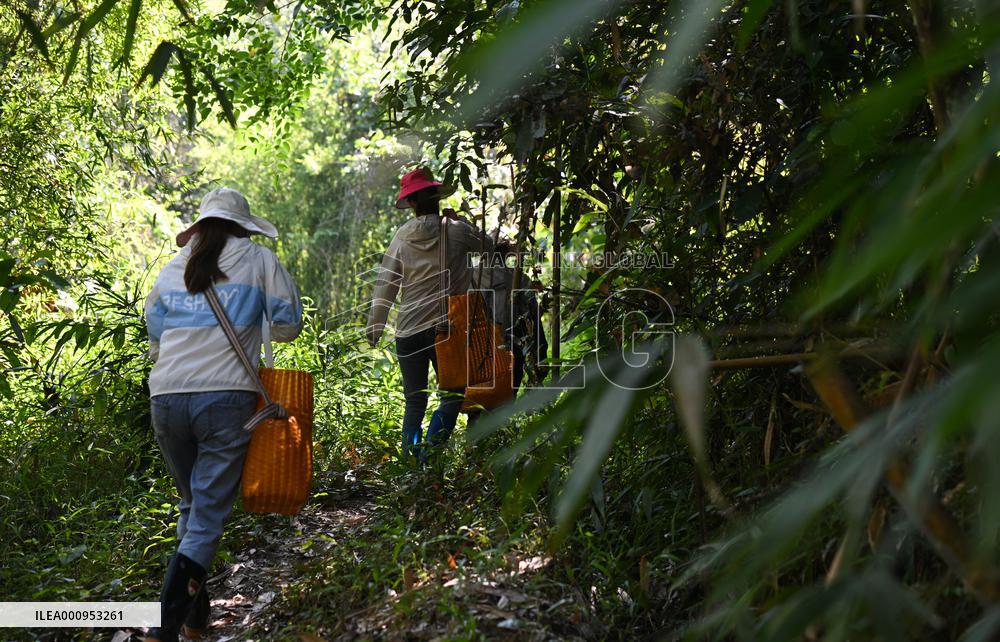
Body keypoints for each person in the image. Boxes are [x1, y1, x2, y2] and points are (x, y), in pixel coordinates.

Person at [142, 188, 303, 642]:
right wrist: (254, 321)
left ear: (201, 226)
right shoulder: (259, 260)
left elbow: (155, 337)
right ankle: (162, 628)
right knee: (206, 519)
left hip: (166, 398)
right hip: (226, 401)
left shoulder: (175, 267)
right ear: (242, 227)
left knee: (192, 507)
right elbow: (289, 325)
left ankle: (195, 622)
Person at [366, 167, 493, 456]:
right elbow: (490, 247)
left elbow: (386, 285)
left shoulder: (401, 237)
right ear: (437, 196)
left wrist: (374, 330)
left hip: (408, 332)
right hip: (445, 330)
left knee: (414, 402)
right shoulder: (457, 231)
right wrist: (462, 221)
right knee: (453, 395)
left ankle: (410, 463)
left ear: (411, 202)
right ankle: (431, 454)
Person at [473, 237, 548, 392]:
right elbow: (532, 311)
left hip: (484, 331)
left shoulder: (475, 275)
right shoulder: (517, 277)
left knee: (491, 371)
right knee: (515, 368)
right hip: (511, 329)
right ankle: (509, 399)